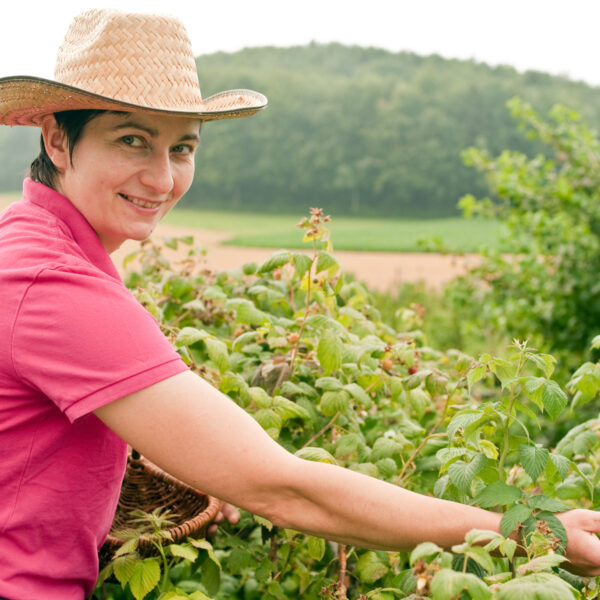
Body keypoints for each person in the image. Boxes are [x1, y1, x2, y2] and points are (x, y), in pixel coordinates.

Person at [1, 9, 600, 600]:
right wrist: (525, 531)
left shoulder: (26, 243)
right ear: (57, 138)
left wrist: (199, 465)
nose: (162, 179)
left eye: (182, 148)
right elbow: (283, 489)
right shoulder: (52, 283)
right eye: (132, 140)